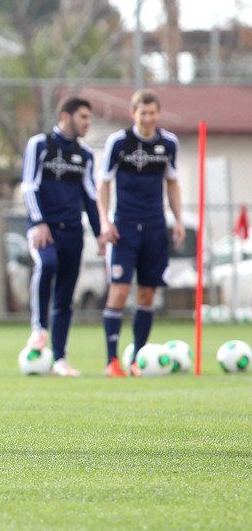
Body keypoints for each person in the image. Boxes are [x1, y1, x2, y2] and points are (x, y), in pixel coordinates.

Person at [97, 90, 184, 376]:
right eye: (142, 113)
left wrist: (178, 220)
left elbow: (172, 182)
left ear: (158, 113)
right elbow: (104, 183)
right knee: (120, 290)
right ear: (133, 113)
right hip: (124, 227)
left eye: (152, 113)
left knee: (147, 294)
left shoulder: (168, 143)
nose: (147, 118)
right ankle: (112, 361)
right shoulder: (119, 142)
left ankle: (138, 359)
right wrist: (105, 222)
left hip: (155, 227)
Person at [19, 96, 102, 377]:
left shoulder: (85, 155)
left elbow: (91, 198)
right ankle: (39, 327)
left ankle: (60, 359)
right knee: (47, 264)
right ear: (66, 116)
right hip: (45, 229)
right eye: (83, 117)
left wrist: (101, 234)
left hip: (73, 232)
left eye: (89, 118)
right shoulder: (40, 145)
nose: (87, 123)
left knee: (65, 296)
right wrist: (38, 222)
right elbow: (29, 186)